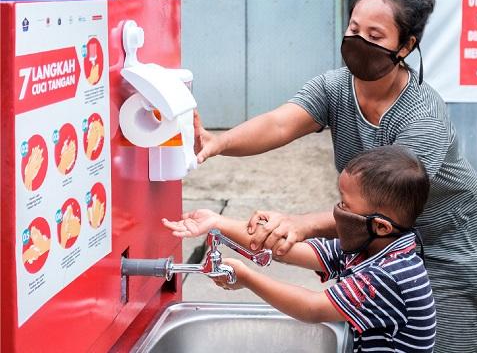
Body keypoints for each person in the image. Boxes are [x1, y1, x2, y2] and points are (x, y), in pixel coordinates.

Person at [194, 0, 477, 351]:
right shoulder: (336, 87)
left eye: (374, 36)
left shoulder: (423, 116)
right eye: (354, 28)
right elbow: (279, 124)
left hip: (444, 240)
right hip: (379, 234)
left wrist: (301, 223)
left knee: (450, 341)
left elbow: (384, 201)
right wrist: (218, 142)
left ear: (406, 45)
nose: (359, 42)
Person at [164, 146, 437, 352]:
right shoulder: (368, 245)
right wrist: (219, 223)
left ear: (381, 226)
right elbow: (289, 250)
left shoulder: (392, 275)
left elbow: (312, 308)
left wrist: (247, 277)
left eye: (345, 204)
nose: (336, 212)